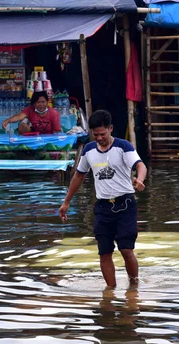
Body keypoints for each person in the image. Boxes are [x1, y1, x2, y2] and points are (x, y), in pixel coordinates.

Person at [59, 110, 147, 288]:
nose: (99, 138)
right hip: (102, 207)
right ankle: (110, 290)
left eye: (102, 134)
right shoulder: (89, 150)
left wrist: (140, 179)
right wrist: (66, 201)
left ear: (111, 129)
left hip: (125, 205)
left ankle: (134, 286)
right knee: (104, 252)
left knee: (126, 249)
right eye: (95, 134)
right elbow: (79, 176)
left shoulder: (123, 147)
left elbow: (140, 165)